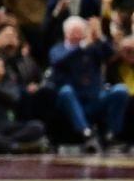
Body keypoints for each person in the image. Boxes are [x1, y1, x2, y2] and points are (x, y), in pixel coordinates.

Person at [50, 16, 129, 152]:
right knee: (66, 91)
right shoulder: (58, 49)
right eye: (74, 31)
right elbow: (59, 61)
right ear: (66, 33)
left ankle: (111, 135)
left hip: (95, 99)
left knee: (120, 90)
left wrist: (100, 37)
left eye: (80, 31)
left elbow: (110, 54)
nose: (78, 35)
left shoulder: (92, 48)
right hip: (73, 101)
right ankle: (87, 133)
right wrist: (81, 46)